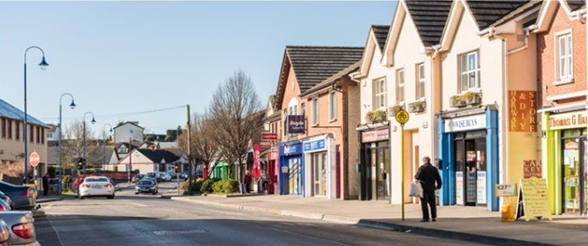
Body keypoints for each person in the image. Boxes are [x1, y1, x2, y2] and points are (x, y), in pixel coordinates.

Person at [415, 156, 442, 222]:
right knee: (432, 203)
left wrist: (416, 177)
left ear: (424, 161)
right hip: (432, 188)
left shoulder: (422, 168)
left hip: (424, 188)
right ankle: (433, 217)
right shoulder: (434, 169)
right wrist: (438, 186)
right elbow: (438, 179)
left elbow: (418, 177)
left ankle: (426, 217)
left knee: (424, 203)